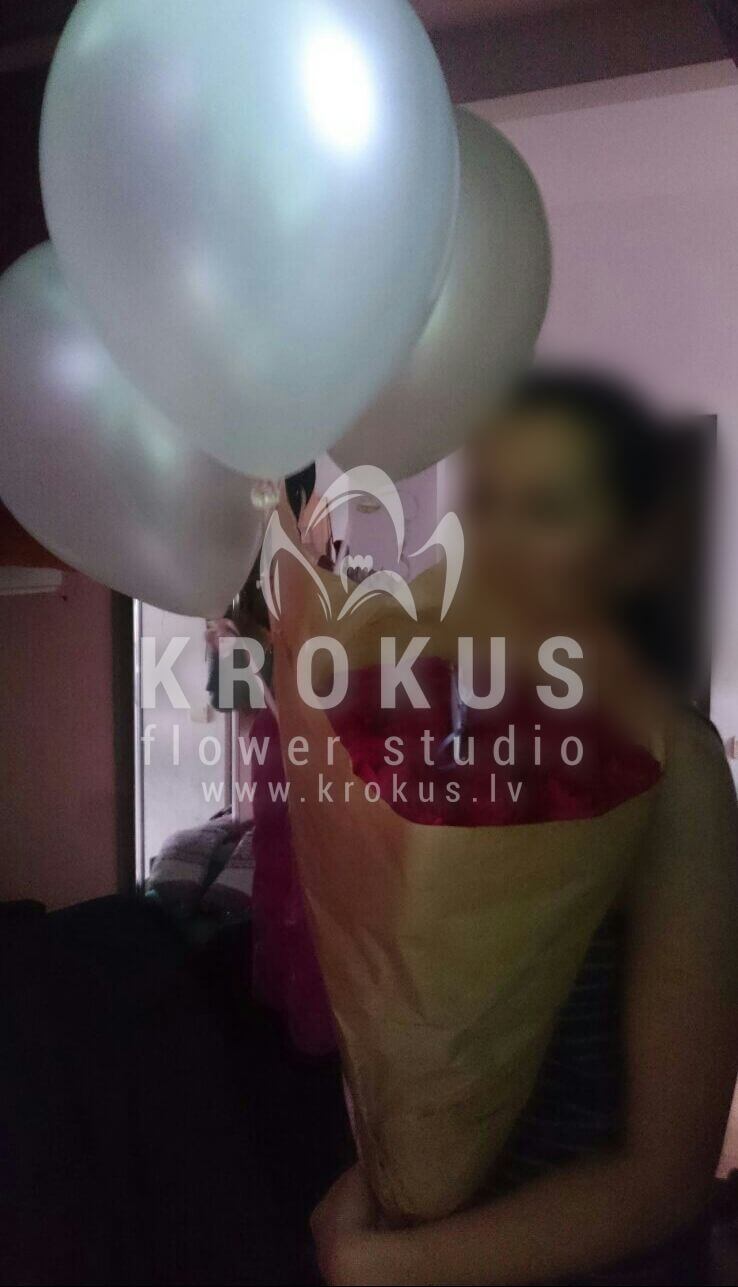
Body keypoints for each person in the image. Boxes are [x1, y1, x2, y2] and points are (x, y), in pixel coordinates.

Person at [309, 371, 738, 1285]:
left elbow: (669, 1176)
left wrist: (386, 1266)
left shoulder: (679, 769)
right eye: (488, 504)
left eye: (549, 509)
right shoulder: (473, 730)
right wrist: (378, 1181)